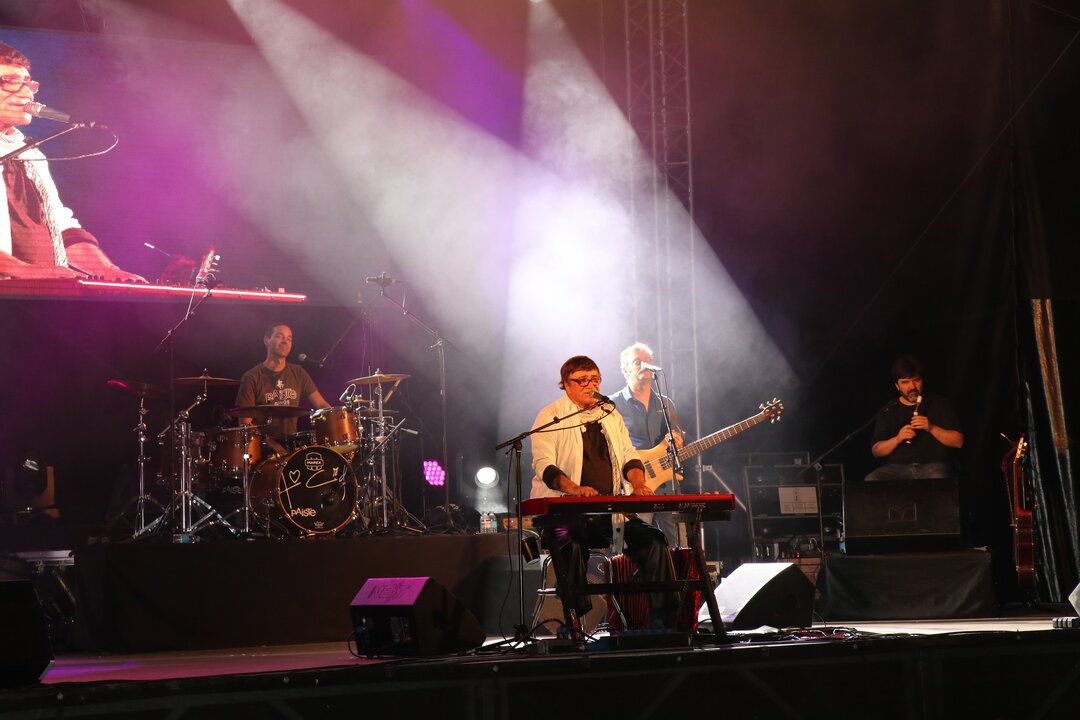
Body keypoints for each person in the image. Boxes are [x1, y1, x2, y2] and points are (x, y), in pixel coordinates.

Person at [529, 355, 679, 633]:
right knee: (571, 544)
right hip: (563, 514)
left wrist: (638, 483)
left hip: (608, 514)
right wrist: (574, 490)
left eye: (595, 379)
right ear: (566, 384)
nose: (591, 385)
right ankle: (574, 622)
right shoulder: (550, 416)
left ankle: (663, 623)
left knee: (654, 540)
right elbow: (543, 465)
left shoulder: (609, 413)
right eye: (582, 380)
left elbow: (629, 456)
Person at [0, 42, 142, 282]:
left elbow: (61, 226)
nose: (27, 95)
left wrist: (107, 271)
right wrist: (23, 270)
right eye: (11, 82)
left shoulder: (30, 154)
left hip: (34, 298)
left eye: (28, 84)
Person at [609, 342, 686, 546]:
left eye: (648, 361)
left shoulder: (665, 403)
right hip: (632, 485)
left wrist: (676, 437)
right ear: (625, 369)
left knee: (678, 545)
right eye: (638, 361)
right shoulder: (613, 404)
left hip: (667, 482)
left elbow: (677, 431)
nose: (645, 365)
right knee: (635, 544)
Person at [235, 323, 331, 454]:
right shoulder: (251, 377)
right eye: (279, 336)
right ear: (266, 340)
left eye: (289, 338)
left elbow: (321, 405)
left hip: (292, 447)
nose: (285, 341)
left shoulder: (298, 372)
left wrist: (338, 428)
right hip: (262, 449)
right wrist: (272, 445)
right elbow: (245, 424)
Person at [866, 355, 964, 481]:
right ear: (897, 386)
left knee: (938, 477)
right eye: (905, 382)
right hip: (897, 468)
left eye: (916, 380)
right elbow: (876, 451)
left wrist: (931, 427)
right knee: (872, 479)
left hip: (934, 466)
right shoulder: (888, 409)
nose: (912, 387)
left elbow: (958, 442)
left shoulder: (939, 403)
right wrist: (897, 439)